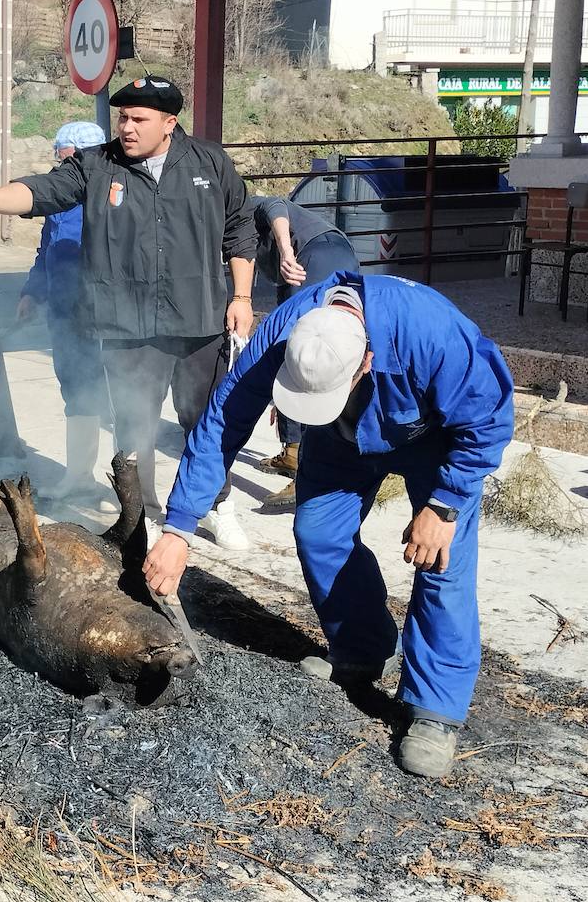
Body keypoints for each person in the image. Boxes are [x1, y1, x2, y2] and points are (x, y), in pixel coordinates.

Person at [143, 273, 514, 778]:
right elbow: (222, 423)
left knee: (439, 560)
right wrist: (179, 528)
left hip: (436, 438)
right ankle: (366, 651)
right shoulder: (285, 336)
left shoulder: (430, 334)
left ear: (365, 360)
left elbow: (489, 416)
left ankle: (436, 708)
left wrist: (445, 505)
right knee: (318, 532)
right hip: (340, 437)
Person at [0, 76, 255, 550]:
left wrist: (241, 298)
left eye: (139, 119)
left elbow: (240, 227)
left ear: (169, 123)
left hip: (199, 319)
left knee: (203, 420)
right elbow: (46, 190)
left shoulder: (208, 162)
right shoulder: (97, 165)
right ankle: (142, 514)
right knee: (133, 422)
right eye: (122, 117)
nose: (127, 127)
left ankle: (218, 506)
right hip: (128, 325)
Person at [14, 120, 112, 502]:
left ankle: (134, 488)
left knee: (119, 397)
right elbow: (47, 250)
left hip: (100, 314)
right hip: (63, 313)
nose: (60, 163)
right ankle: (80, 475)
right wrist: (32, 293)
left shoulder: (105, 195)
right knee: (76, 390)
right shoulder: (59, 197)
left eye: (63, 154)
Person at [248, 195, 360, 509]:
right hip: (331, 255)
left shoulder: (239, 205)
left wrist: (284, 250)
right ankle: (294, 451)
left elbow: (275, 205)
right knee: (290, 351)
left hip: (314, 256)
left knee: (308, 357)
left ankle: (309, 475)